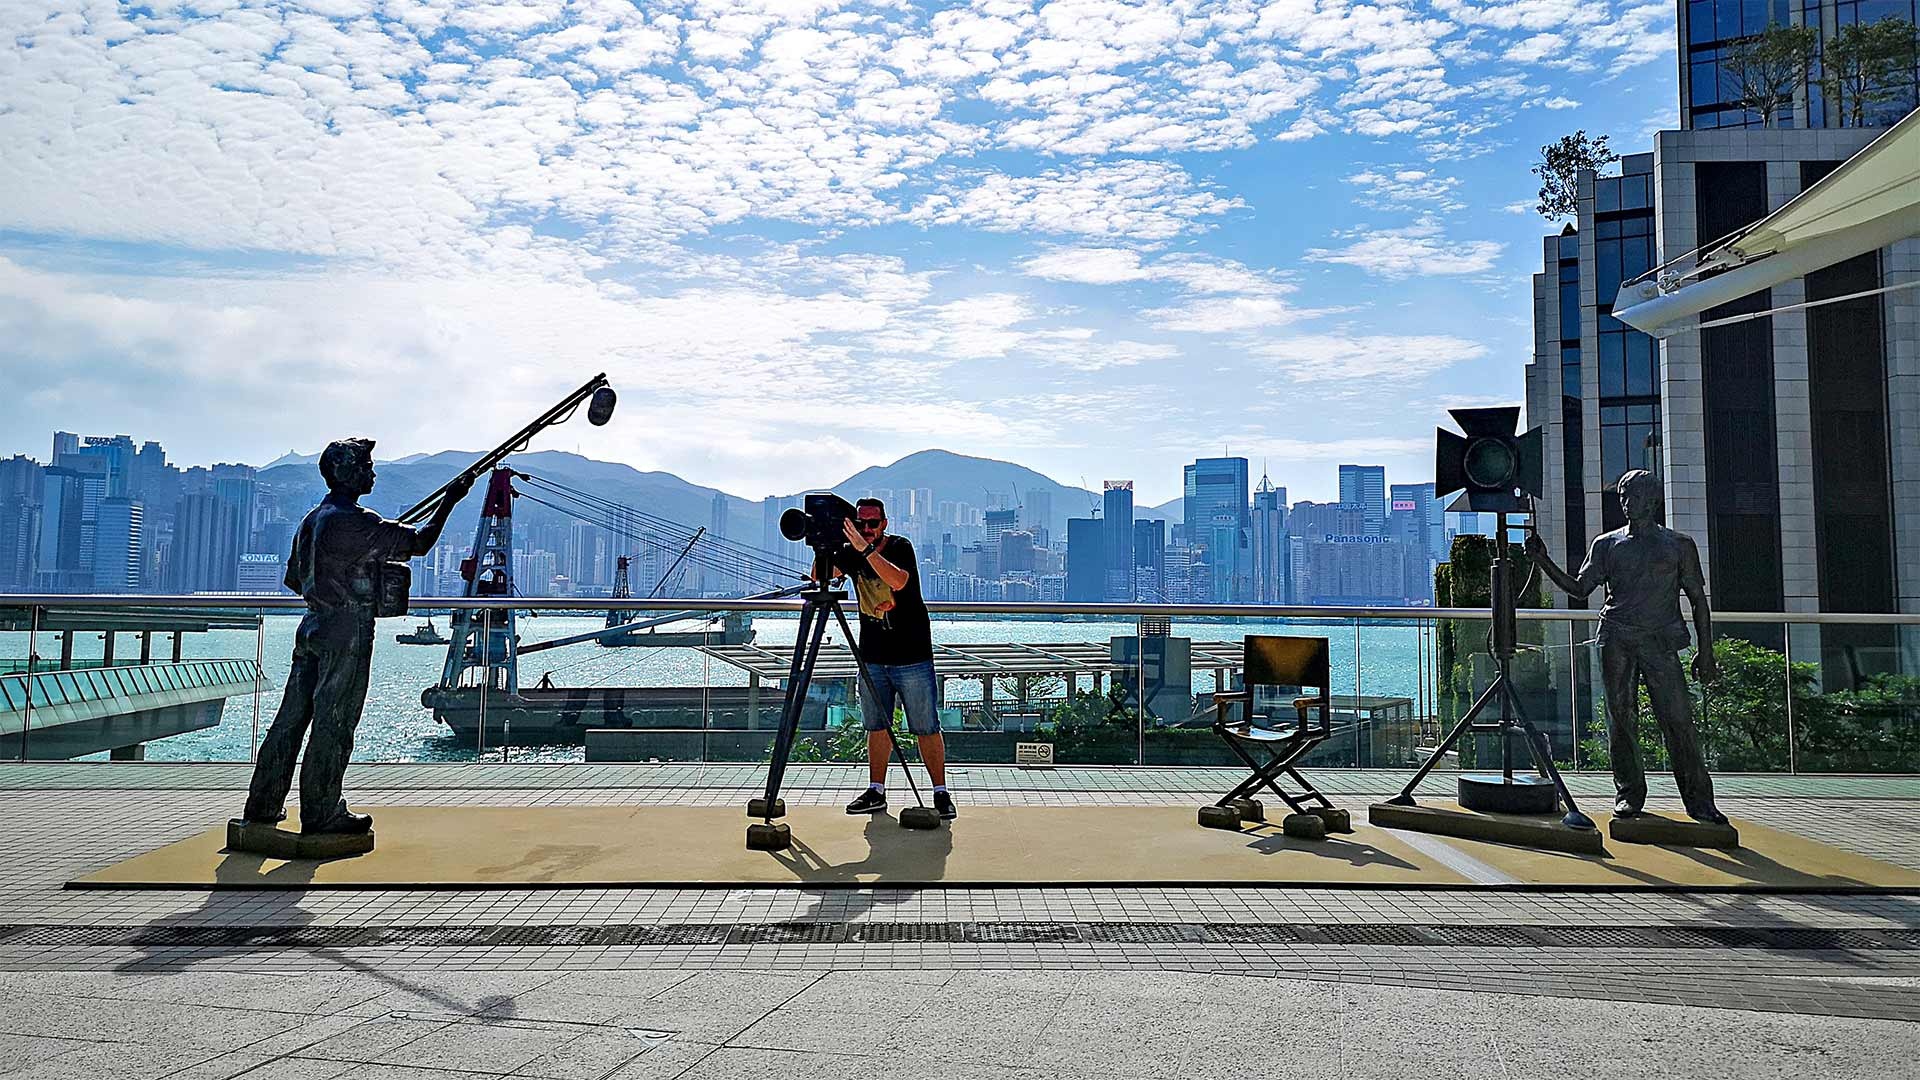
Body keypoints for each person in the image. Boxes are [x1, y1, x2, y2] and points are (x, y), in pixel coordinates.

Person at [242, 439, 471, 835]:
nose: (372, 472)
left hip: (313, 625)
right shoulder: (353, 521)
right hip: (346, 631)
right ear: (346, 472)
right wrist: (450, 500)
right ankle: (322, 811)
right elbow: (418, 543)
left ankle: (263, 804)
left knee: (290, 720)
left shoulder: (313, 520)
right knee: (335, 720)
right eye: (365, 465)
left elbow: (296, 579)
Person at [1525, 470, 1727, 824]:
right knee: (1621, 719)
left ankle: (1700, 802)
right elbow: (1579, 589)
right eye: (1621, 495)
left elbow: (1698, 600)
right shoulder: (1606, 544)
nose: (1624, 502)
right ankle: (1629, 795)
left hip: (1659, 640)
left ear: (1651, 500)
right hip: (1615, 637)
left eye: (1631, 495)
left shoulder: (1679, 545)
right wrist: (1543, 561)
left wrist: (1706, 651)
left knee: (1678, 719)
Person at [831, 498, 955, 820]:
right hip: (872, 655)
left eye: (873, 523)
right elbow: (820, 575)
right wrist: (830, 541)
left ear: (884, 523)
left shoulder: (900, 546)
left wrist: (865, 549)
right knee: (877, 725)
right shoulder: (849, 551)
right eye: (861, 524)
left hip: (912, 655)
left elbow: (899, 581)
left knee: (926, 726)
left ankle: (940, 792)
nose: (867, 530)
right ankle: (877, 790)